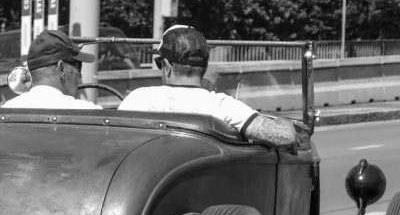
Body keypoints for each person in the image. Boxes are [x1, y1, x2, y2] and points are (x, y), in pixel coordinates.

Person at [118, 26, 297, 148]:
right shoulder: (222, 106)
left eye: (159, 63)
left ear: (167, 66)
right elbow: (285, 136)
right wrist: (286, 123)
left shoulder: (136, 99)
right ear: (205, 67)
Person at [2, 29, 102, 109]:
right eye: (78, 66)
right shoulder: (90, 112)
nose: (80, 76)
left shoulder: (6, 109)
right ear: (62, 68)